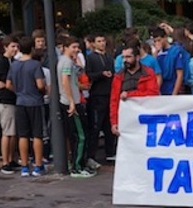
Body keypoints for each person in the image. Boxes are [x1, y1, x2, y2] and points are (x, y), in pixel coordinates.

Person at [6, 36, 47, 177]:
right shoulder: (35, 65)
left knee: (22, 135)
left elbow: (8, 84)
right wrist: (45, 90)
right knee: (37, 135)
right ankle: (38, 165)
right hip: (35, 101)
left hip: (20, 101)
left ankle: (24, 166)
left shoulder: (14, 65)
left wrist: (18, 92)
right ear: (32, 48)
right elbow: (40, 84)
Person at [58, 37, 94, 178]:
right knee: (80, 136)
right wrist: (72, 101)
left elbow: (70, 81)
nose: (76, 50)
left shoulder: (66, 61)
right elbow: (65, 81)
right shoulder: (67, 62)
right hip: (71, 102)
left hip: (70, 100)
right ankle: (77, 167)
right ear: (66, 47)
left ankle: (75, 164)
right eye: (73, 47)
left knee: (75, 136)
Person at [110, 42, 160, 137]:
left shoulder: (148, 73)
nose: (125, 60)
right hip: (126, 119)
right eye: (123, 57)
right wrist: (114, 122)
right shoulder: (118, 76)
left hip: (145, 117)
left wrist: (130, 95)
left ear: (137, 57)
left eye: (128, 57)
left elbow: (153, 94)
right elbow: (114, 100)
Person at [85, 33, 116, 164]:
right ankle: (92, 154)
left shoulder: (109, 58)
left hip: (109, 93)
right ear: (94, 43)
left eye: (103, 41)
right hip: (97, 95)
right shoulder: (91, 58)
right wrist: (100, 74)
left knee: (109, 125)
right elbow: (89, 74)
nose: (102, 43)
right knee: (96, 126)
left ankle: (110, 152)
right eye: (99, 41)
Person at [0, 35, 20, 173]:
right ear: (5, 47)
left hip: (13, 99)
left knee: (13, 132)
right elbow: (1, 83)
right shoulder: (2, 61)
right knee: (7, 131)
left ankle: (11, 159)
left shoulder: (14, 61)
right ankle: (5, 162)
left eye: (16, 46)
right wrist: (16, 89)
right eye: (12, 47)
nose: (15, 49)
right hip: (6, 100)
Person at [152, 26, 188, 96]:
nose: (157, 43)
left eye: (159, 40)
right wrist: (156, 52)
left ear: (165, 37)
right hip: (161, 90)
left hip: (172, 87)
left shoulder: (175, 51)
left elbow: (179, 74)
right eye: (155, 41)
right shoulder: (156, 54)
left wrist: (174, 93)